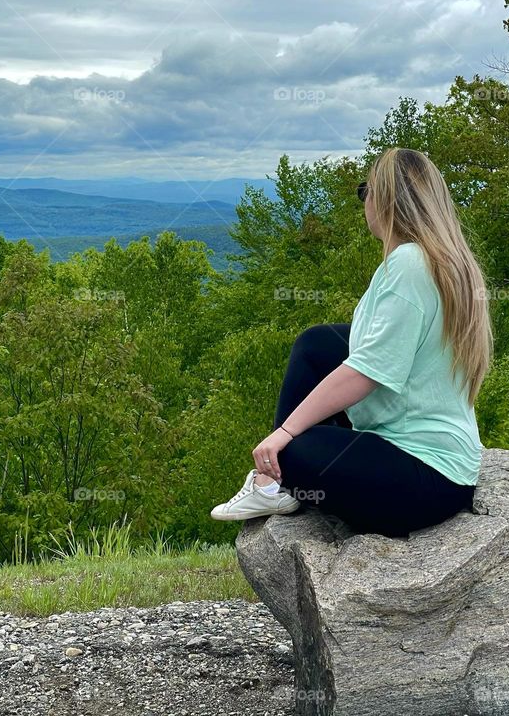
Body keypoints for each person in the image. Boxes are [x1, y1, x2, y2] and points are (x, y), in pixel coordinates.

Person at [210, 147, 493, 537]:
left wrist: (285, 433)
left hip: (426, 477)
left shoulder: (410, 264)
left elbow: (367, 371)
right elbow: (367, 349)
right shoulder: (441, 259)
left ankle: (275, 476)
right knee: (317, 344)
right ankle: (276, 482)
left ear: (387, 199)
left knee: (292, 451)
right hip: (439, 464)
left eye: (366, 191)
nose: (365, 202)